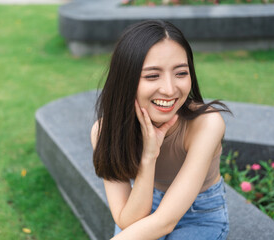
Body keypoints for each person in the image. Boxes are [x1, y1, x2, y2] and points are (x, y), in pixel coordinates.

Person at [90, 20, 231, 240]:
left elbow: (165, 221)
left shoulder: (207, 124)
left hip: (200, 214)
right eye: (152, 76)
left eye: (181, 73)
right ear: (126, 79)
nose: (169, 89)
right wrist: (148, 156)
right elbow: (127, 221)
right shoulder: (104, 131)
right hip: (145, 200)